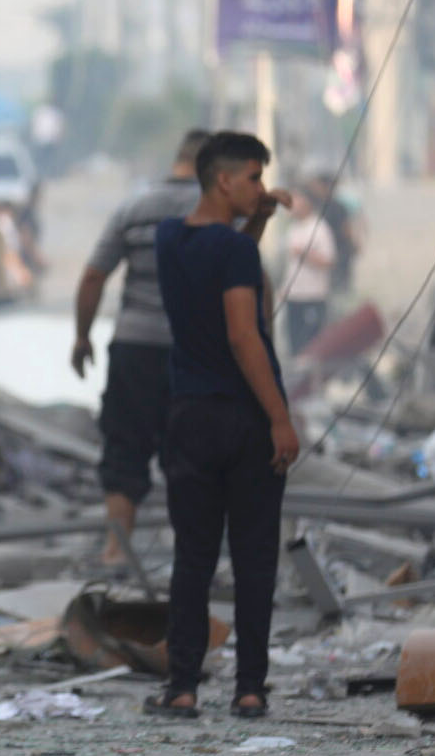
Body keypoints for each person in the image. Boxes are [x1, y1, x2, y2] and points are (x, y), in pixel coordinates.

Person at [149, 131, 299, 721]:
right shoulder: (237, 254)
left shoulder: (169, 238)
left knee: (193, 556)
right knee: (254, 557)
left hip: (187, 414)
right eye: (255, 178)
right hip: (243, 416)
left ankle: (182, 686)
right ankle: (250, 688)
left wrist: (255, 223)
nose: (263, 188)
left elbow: (215, 265)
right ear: (224, 179)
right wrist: (280, 418)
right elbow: (243, 330)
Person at [73, 128, 208, 566]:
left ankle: (117, 548)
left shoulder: (133, 207)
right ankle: (188, 550)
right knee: (190, 454)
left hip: (133, 347)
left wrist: (82, 336)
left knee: (124, 450)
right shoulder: (217, 213)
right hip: (193, 351)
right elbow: (250, 284)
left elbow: (94, 276)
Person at [277, 189, 336, 357]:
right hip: (294, 296)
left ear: (307, 202)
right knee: (294, 344)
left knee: (311, 344)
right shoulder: (293, 229)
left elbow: (329, 261)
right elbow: (291, 265)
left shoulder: (320, 228)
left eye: (296, 201)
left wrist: (304, 254)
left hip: (313, 296)